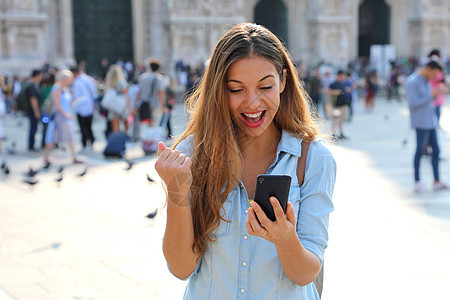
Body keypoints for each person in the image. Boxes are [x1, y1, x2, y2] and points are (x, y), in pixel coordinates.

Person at [155, 23, 336, 299]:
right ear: (219, 90)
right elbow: (181, 268)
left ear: (283, 81)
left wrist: (284, 239)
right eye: (236, 89)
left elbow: (305, 274)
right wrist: (177, 193)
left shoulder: (312, 158)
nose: (252, 103)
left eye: (265, 86)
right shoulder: (193, 154)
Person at [405, 61, 448, 192]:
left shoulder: (426, 81)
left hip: (431, 122)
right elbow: (413, 104)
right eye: (434, 74)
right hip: (421, 123)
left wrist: (437, 93)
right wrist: (431, 95)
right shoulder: (413, 82)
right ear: (429, 69)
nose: (435, 77)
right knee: (419, 151)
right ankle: (417, 181)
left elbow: (429, 101)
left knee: (436, 151)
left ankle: (436, 180)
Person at [43, 70, 83, 164]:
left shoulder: (65, 89)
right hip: (59, 116)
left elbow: (66, 103)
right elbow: (56, 104)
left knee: (70, 137)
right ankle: (46, 156)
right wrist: (65, 114)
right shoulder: (57, 88)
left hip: (66, 116)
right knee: (52, 136)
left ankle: (74, 156)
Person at [71, 66, 98, 151]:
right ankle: (91, 141)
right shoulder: (88, 79)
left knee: (83, 126)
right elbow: (95, 92)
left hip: (81, 106)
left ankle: (85, 142)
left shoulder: (77, 82)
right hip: (89, 106)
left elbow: (77, 96)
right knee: (89, 125)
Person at [135, 59, 166, 125]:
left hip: (145, 103)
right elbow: (160, 92)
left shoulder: (143, 77)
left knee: (147, 124)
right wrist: (163, 105)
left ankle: (148, 135)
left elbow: (139, 92)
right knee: (154, 123)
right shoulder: (159, 78)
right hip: (155, 103)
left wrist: (135, 104)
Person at [104, 65, 132, 133]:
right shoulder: (122, 83)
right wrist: (129, 106)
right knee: (125, 123)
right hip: (122, 106)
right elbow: (126, 95)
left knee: (115, 126)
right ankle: (124, 138)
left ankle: (117, 139)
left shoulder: (109, 84)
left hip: (113, 107)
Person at [25, 69, 43, 152]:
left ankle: (31, 145)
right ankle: (31, 146)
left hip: (30, 110)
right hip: (32, 111)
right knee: (33, 128)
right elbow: (33, 100)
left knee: (33, 127)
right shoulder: (32, 86)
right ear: (37, 75)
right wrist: (36, 111)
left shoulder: (30, 84)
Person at [328, 70, 349, 139]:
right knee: (335, 120)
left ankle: (341, 133)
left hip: (343, 104)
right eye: (342, 76)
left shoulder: (343, 83)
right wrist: (335, 91)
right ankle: (333, 134)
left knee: (341, 120)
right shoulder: (334, 84)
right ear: (338, 76)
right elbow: (326, 90)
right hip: (336, 105)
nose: (343, 77)